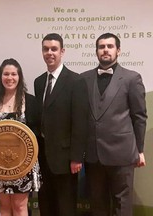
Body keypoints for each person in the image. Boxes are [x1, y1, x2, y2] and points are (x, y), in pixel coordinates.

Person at [81, 33, 147, 216]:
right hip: (93, 156)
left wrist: (139, 150)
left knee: (122, 205)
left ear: (118, 50)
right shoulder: (84, 79)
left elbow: (139, 116)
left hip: (123, 154)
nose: (105, 50)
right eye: (101, 46)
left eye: (110, 46)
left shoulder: (131, 78)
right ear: (96, 52)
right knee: (97, 204)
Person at [34, 33, 89, 216]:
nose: (49, 52)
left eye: (54, 49)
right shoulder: (39, 81)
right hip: (42, 157)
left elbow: (80, 122)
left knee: (65, 208)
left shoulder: (76, 81)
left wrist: (76, 157)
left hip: (66, 159)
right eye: (46, 49)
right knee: (46, 206)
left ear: (62, 51)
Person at [0, 58, 42, 216]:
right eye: (6, 74)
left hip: (24, 163)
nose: (10, 78)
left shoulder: (31, 102)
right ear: (0, 77)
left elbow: (37, 132)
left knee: (19, 206)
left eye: (14, 74)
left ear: (20, 77)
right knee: (3, 206)